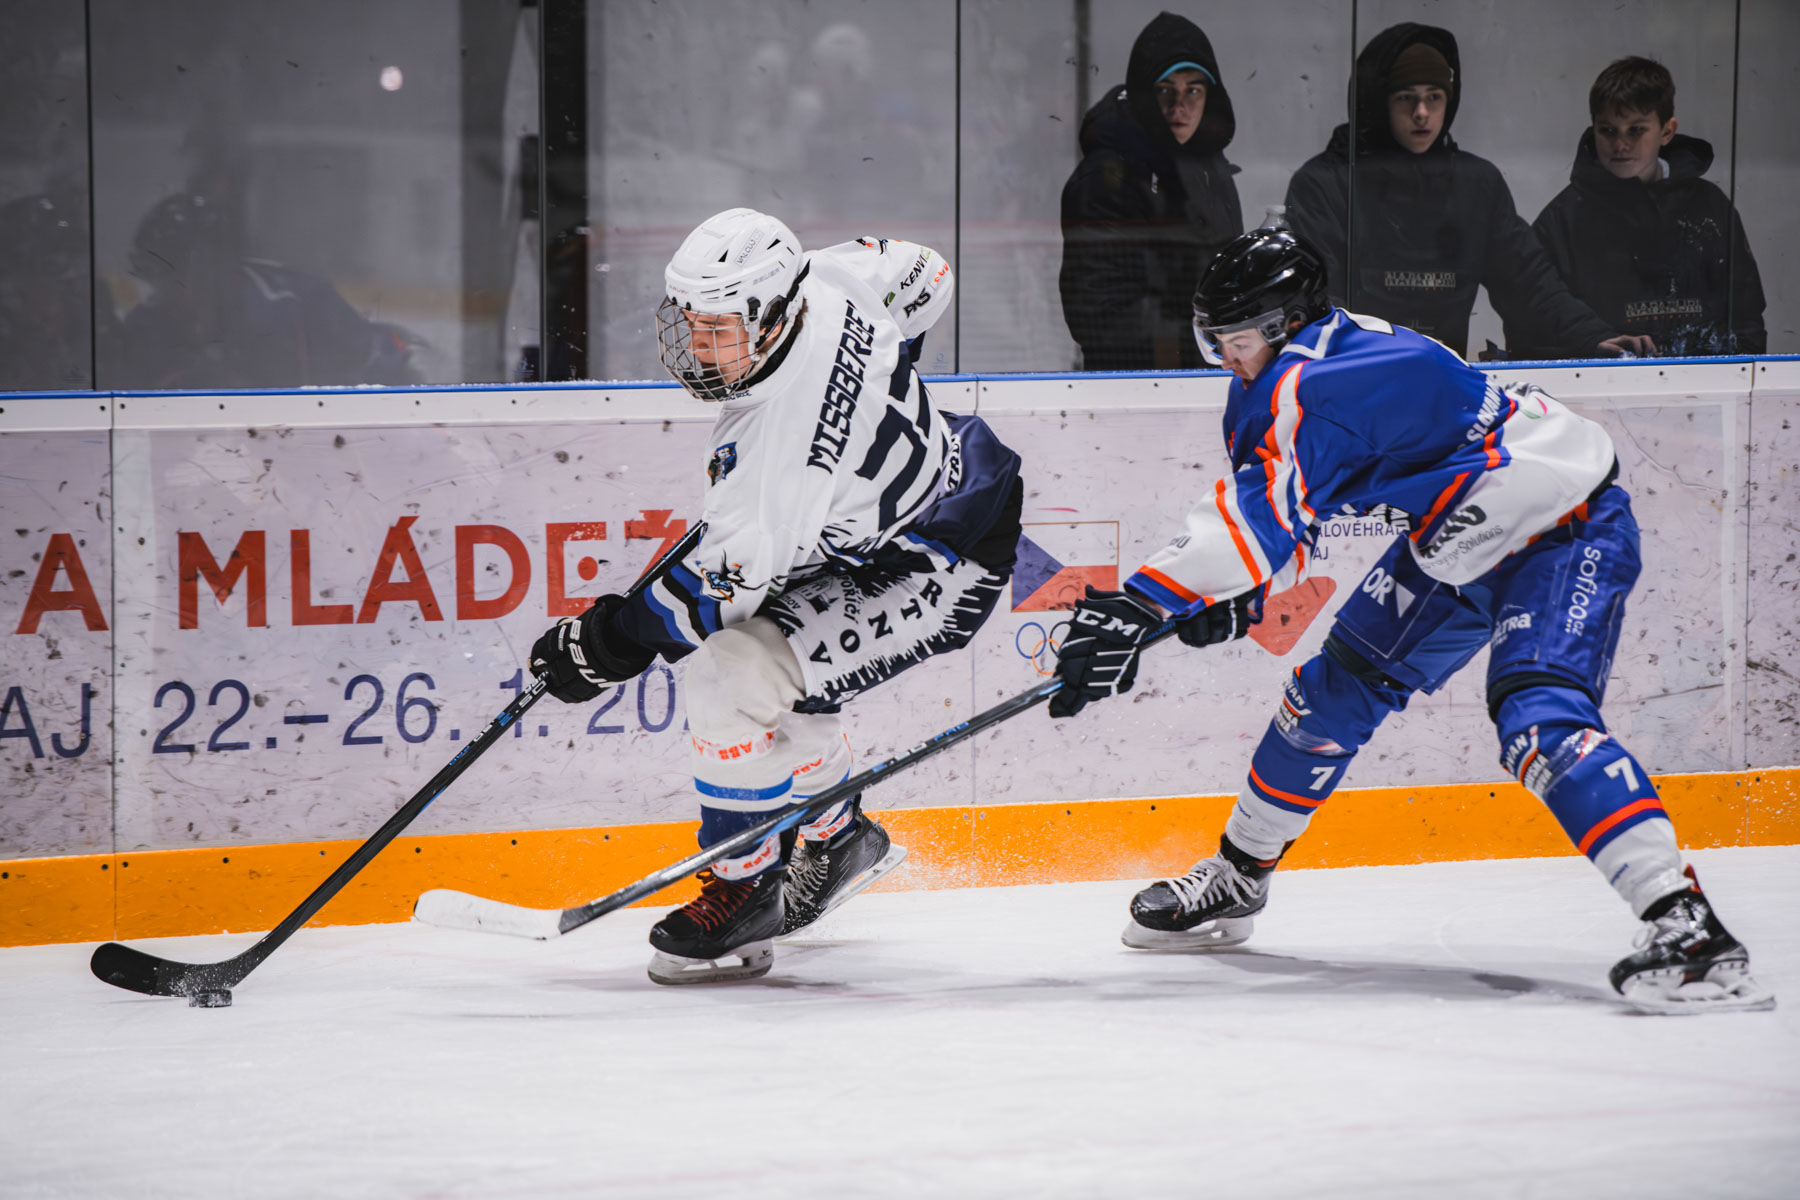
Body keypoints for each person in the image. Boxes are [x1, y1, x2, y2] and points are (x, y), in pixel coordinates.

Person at [1047, 221, 1773, 1013]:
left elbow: (1251, 522)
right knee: (1328, 696)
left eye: (1237, 339)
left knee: (1539, 723)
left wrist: (1140, 603)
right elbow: (1292, 514)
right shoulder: (1288, 371)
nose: (1225, 356)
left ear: (1287, 324)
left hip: (1561, 525)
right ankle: (1239, 876)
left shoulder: (1307, 383)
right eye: (1212, 339)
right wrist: (1233, 599)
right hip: (1458, 533)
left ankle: (1689, 930)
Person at [529, 209, 1023, 985]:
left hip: (938, 562)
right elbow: (928, 274)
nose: (699, 347)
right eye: (692, 324)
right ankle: (839, 838)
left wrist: (606, 646)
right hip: (924, 495)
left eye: (719, 329)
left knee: (729, 673)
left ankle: (747, 888)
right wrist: (880, 374)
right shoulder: (831, 277)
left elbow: (712, 599)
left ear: (772, 314)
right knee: (775, 666)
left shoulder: (772, 455)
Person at [1283, 23, 1648, 361]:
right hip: (1355, 374)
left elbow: (1529, 285)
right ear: (1380, 101)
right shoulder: (1325, 183)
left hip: (1445, 379)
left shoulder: (1476, 185)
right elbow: (1318, 303)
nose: (1422, 112)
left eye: (1434, 96)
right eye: (1406, 97)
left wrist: (1592, 337)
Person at [1506, 56, 1766, 359]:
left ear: (1666, 131)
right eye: (1608, 130)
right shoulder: (1561, 220)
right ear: (1593, 129)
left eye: (1636, 130)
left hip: (1705, 383)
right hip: (1599, 384)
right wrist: (1594, 350)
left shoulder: (1711, 208)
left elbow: (1746, 319)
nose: (1620, 144)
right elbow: (1531, 324)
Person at [1059, 11, 1242, 370]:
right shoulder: (1106, 179)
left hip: (1206, 371)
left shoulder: (1210, 170)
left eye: (1193, 90)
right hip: (1134, 383)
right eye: (1164, 90)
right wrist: (1210, 338)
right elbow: (1097, 312)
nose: (1179, 106)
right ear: (1143, 95)